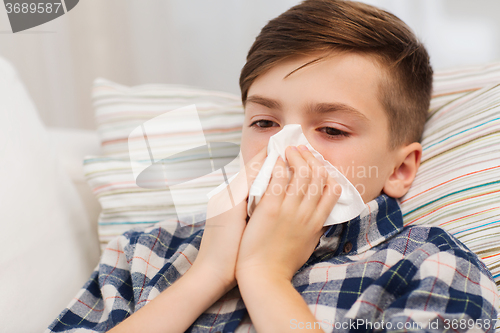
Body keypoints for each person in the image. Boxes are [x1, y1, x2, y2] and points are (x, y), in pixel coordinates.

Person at [47, 0, 499, 332]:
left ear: (400, 169)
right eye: (265, 122)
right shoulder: (145, 253)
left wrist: (266, 277)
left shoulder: (433, 266)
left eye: (333, 130)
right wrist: (205, 277)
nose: (285, 150)